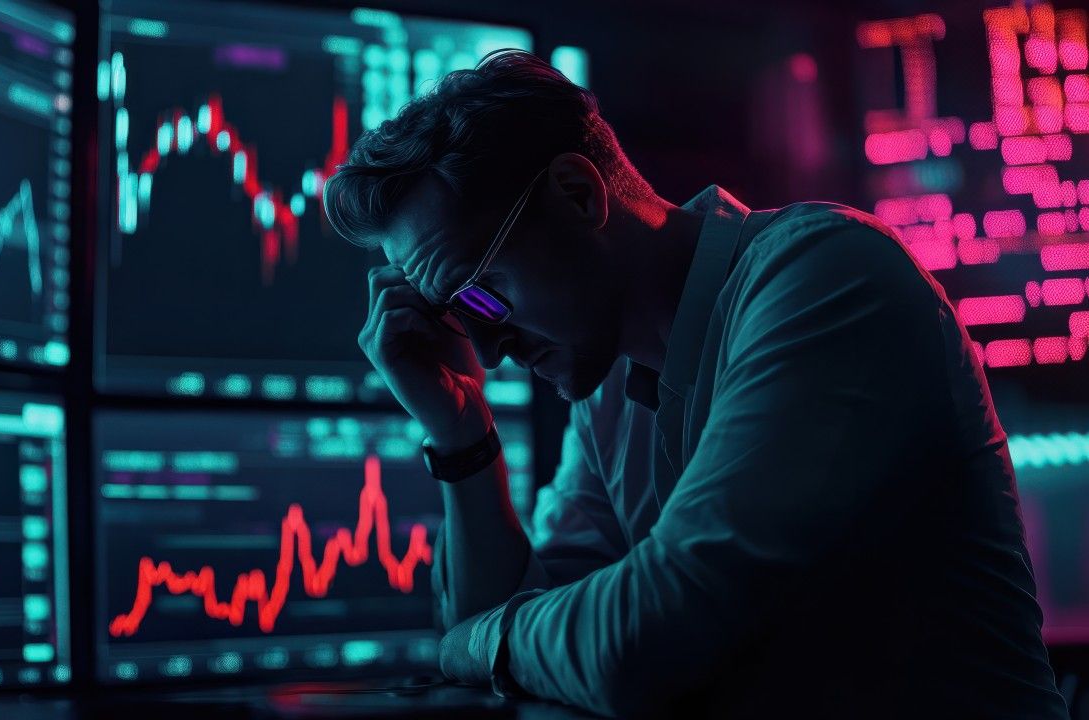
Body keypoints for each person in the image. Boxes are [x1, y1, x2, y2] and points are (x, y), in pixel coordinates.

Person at [321, 50, 1068, 718]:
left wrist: (471, 640)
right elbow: (509, 657)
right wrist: (462, 435)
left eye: (479, 295)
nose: (482, 350)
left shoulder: (827, 276)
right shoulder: (610, 383)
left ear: (578, 195)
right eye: (453, 317)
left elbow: (638, 642)